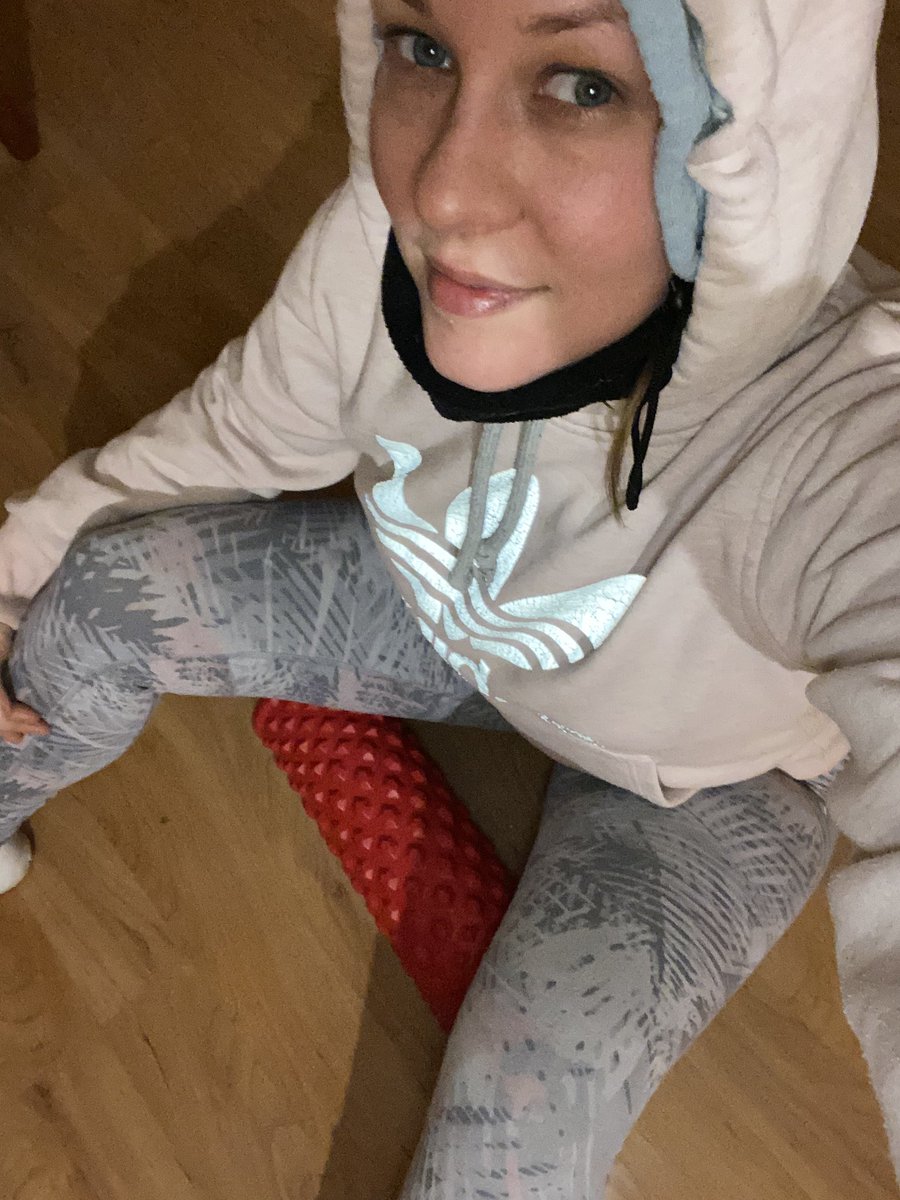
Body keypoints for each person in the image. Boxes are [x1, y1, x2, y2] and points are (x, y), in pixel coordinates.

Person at [0, 0, 898, 1193]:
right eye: (423, 48)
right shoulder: (374, 253)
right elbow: (229, 435)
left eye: (582, 85)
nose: (443, 194)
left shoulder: (843, 438)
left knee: (499, 1170)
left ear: (735, 127)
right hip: (454, 625)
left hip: (715, 787)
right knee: (94, 591)